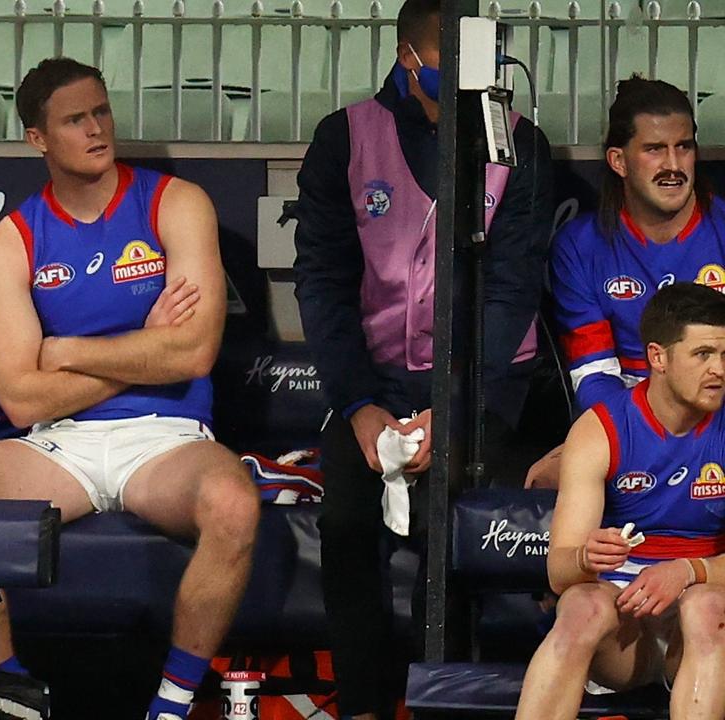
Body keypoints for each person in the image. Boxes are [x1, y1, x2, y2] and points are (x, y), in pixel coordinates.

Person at [0, 58, 259, 720]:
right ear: (37, 139)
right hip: (60, 446)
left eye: (101, 111)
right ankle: (12, 689)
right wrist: (140, 352)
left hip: (166, 440)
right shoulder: (9, 241)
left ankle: (173, 703)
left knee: (233, 504)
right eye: (75, 119)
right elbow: (21, 399)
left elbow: (194, 352)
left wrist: (69, 354)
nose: (97, 129)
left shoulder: (175, 203)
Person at [291, 0, 554, 716]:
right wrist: (356, 403)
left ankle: (450, 704)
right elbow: (323, 281)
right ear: (410, 59)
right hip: (372, 383)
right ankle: (367, 705)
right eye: (450, 63)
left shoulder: (518, 145)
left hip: (482, 389)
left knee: (461, 524)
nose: (472, 79)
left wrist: (456, 408)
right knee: (346, 526)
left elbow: (510, 292)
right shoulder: (344, 138)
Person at [514, 282, 725, 720]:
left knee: (708, 607)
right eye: (703, 354)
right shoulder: (601, 429)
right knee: (578, 607)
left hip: (703, 628)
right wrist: (587, 557)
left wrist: (689, 571)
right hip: (625, 635)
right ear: (658, 357)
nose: (718, 370)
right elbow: (559, 570)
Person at [526, 76, 724, 489]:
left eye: (683, 147)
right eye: (655, 149)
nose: (673, 165)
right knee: (546, 478)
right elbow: (594, 374)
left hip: (718, 419)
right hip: (630, 425)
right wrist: (646, 435)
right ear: (619, 160)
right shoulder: (579, 246)